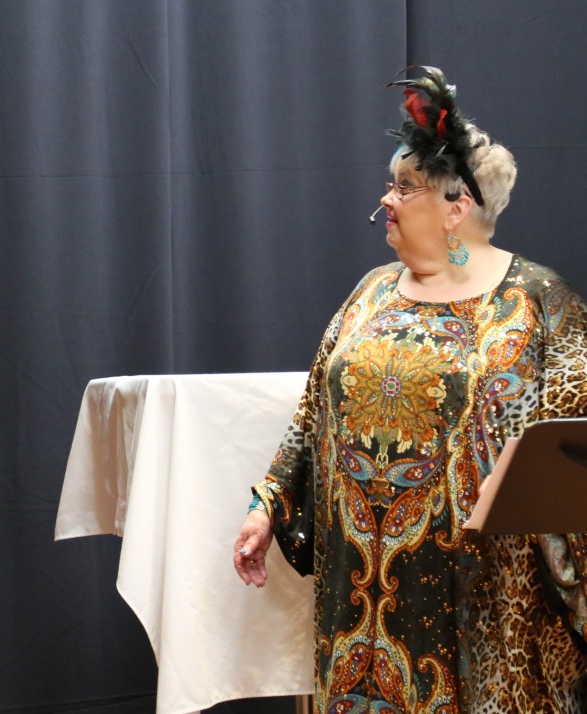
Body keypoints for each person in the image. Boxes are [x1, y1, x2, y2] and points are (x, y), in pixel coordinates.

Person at [233, 66, 587, 712]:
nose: (386, 199)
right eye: (390, 185)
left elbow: (574, 452)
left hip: (481, 596)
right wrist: (268, 504)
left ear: (458, 207)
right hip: (357, 601)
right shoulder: (369, 293)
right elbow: (313, 414)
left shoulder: (539, 303)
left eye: (404, 187)